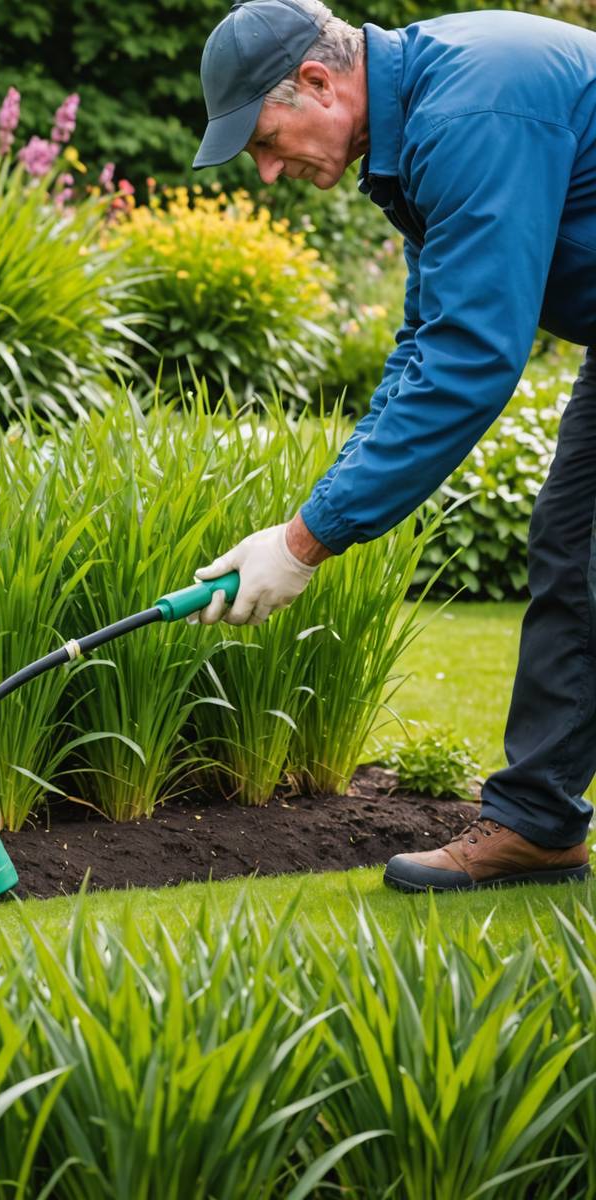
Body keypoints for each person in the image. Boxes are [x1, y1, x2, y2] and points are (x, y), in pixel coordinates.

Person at [189, 0, 596, 891]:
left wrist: (306, 543)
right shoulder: (417, 132)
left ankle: (537, 815)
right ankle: (539, 823)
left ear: (317, 83)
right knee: (578, 553)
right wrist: (305, 519)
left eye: (262, 139)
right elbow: (422, 347)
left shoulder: (470, 111)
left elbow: (472, 363)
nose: (264, 172)